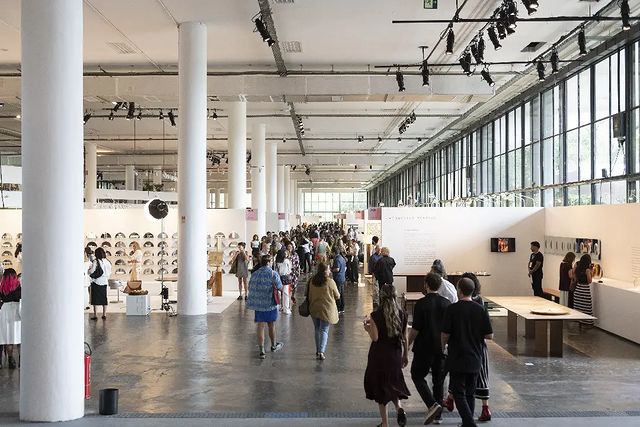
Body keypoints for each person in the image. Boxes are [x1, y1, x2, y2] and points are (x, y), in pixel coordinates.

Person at [441, 278, 493, 427]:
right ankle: (466, 422)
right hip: (475, 357)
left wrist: (442, 347)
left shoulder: (452, 309)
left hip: (457, 356)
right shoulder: (480, 309)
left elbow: (445, 334)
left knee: (458, 392)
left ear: (459, 290)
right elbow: (489, 335)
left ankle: (469, 423)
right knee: (470, 393)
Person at [363, 284, 410, 427]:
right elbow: (405, 337)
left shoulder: (376, 315)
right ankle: (399, 408)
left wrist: (367, 328)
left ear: (381, 297)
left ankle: (385, 423)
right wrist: (405, 355)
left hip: (379, 355)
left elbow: (375, 337)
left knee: (381, 389)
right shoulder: (402, 314)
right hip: (395, 353)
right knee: (393, 384)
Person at [409, 272, 450, 425]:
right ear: (439, 285)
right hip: (440, 347)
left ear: (426, 285)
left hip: (423, 347)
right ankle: (438, 416)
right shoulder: (447, 303)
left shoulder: (421, 304)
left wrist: (407, 344)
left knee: (417, 375)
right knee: (438, 380)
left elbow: (415, 329)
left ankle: (432, 404)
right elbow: (448, 329)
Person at [246, 255, 284, 359]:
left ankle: (261, 350)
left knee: (260, 326)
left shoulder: (255, 274)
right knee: (271, 325)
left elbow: (250, 287)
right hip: (270, 304)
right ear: (269, 263)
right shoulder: (273, 273)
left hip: (259, 305)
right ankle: (273, 345)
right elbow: (280, 287)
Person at [308, 262, 340, 360]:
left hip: (314, 308)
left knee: (317, 329)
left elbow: (307, 293)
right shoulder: (330, 282)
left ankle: (318, 350)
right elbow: (337, 295)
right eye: (328, 269)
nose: (330, 271)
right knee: (324, 330)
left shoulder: (312, 280)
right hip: (326, 309)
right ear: (324, 271)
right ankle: (321, 352)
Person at [0, 268, 21, 369]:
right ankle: (21, 359)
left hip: (5, 310)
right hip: (16, 310)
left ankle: (10, 359)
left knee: (9, 337)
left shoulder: (2, 287)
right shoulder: (18, 286)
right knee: (19, 336)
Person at [88, 247, 112, 320]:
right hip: (104, 281)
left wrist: (89, 270)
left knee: (95, 299)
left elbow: (92, 271)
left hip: (96, 281)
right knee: (104, 298)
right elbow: (109, 272)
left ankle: (95, 315)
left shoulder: (96, 261)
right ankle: (104, 314)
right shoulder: (107, 261)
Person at [573, 254, 595, 327]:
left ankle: (579, 321)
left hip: (577, 289)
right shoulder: (587, 270)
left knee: (579, 307)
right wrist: (591, 271)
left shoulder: (577, 268)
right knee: (586, 307)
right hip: (584, 290)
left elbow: (575, 278)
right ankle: (586, 322)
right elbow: (589, 281)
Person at [275, 249, 293, 315]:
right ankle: (286, 308)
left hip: (278, 277)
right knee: (285, 293)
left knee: (278, 293)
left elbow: (275, 269)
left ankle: (278, 307)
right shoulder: (287, 261)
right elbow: (289, 270)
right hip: (285, 277)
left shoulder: (276, 261)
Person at [331, 246, 347, 314]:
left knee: (338, 294)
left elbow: (337, 269)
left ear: (334, 253)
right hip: (342, 277)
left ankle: (338, 308)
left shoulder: (337, 259)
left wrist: (331, 270)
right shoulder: (342, 258)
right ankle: (342, 308)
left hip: (338, 278)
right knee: (342, 294)